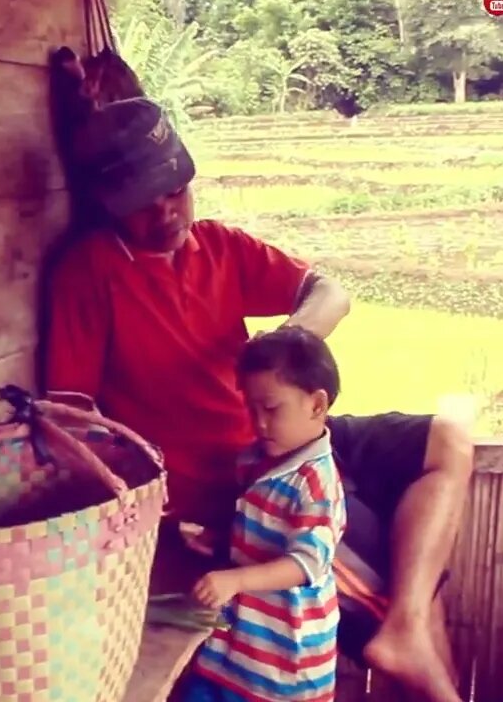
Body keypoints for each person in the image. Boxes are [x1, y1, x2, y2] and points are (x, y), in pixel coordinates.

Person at [42, 97, 473, 701]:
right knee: (411, 600)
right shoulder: (90, 275)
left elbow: (330, 292)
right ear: (110, 207)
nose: (167, 212)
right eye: (146, 203)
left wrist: (290, 340)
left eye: (177, 191)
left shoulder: (219, 246)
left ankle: (402, 624)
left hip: (290, 432)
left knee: (448, 438)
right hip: (236, 479)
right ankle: (405, 631)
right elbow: (73, 417)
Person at [183, 326, 348, 701]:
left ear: (317, 405)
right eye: (251, 409)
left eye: (271, 409)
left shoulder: (316, 484)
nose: (258, 423)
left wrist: (235, 580)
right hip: (233, 653)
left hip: (284, 669)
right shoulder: (256, 460)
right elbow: (257, 536)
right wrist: (218, 541)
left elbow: (305, 564)